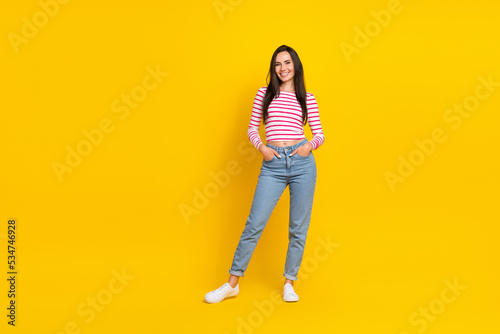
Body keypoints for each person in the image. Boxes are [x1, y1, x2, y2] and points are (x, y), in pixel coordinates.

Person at [204, 45, 325, 303]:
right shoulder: (264, 94)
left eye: (287, 63)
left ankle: (289, 282)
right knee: (254, 223)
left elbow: (320, 134)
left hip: (302, 164)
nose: (283, 68)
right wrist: (262, 147)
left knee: (298, 228)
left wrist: (308, 146)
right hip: (273, 164)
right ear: (273, 69)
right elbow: (251, 129)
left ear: (296, 66)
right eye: (278, 64)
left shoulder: (307, 98)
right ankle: (232, 283)